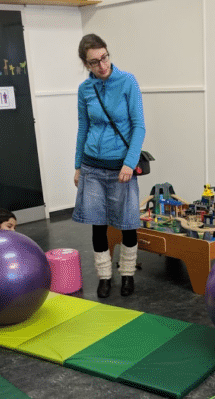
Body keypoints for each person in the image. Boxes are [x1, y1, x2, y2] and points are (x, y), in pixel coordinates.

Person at [72, 34, 145, 298]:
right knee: (97, 224)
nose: (102, 66)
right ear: (86, 64)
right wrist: (78, 166)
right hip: (92, 166)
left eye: (104, 57)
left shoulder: (127, 82)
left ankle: (127, 275)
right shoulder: (85, 90)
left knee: (127, 224)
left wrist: (129, 162)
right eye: (94, 62)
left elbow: (139, 126)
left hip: (120, 168)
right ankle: (104, 276)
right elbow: (83, 128)